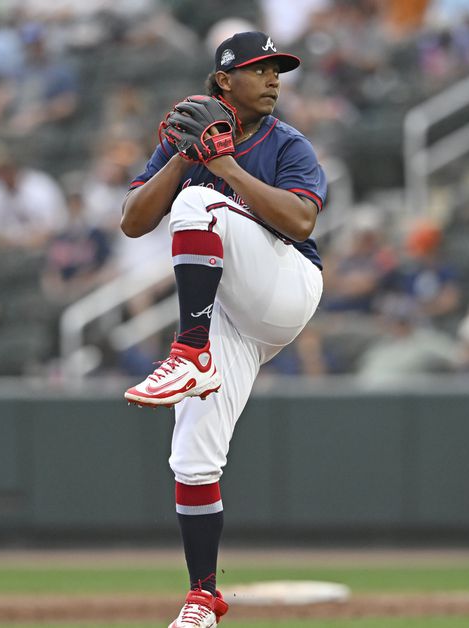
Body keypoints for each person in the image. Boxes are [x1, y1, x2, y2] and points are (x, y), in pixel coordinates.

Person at [119, 32, 326, 627]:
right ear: (223, 81)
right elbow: (133, 221)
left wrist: (223, 166)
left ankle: (188, 351)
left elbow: (301, 218)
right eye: (260, 68)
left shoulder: (288, 143)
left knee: (198, 206)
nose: (274, 78)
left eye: (278, 69)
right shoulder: (185, 144)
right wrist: (185, 158)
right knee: (191, 456)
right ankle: (202, 596)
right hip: (230, 315)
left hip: (285, 287)